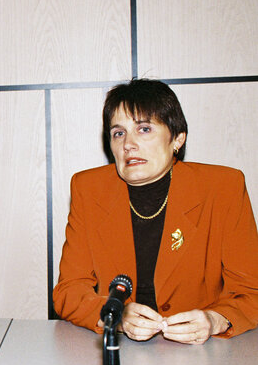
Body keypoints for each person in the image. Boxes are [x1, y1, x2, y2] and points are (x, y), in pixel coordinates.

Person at [53, 79, 258, 344]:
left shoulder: (222, 187)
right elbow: (68, 290)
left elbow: (252, 291)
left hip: (202, 350)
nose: (128, 144)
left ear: (177, 139)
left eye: (144, 129)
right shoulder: (89, 189)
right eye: (118, 133)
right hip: (119, 347)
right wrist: (115, 317)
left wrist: (215, 319)